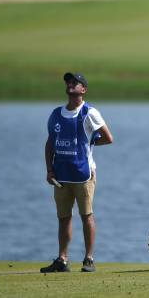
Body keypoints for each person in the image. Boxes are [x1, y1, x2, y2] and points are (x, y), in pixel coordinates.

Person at [40, 72, 114, 273]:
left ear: (84, 89)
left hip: (84, 174)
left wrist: (90, 142)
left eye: (75, 82)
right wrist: (49, 169)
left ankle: (89, 259)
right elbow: (50, 143)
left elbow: (108, 138)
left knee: (86, 215)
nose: (71, 84)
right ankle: (62, 260)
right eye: (68, 82)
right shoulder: (56, 113)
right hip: (61, 176)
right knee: (63, 217)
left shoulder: (90, 112)